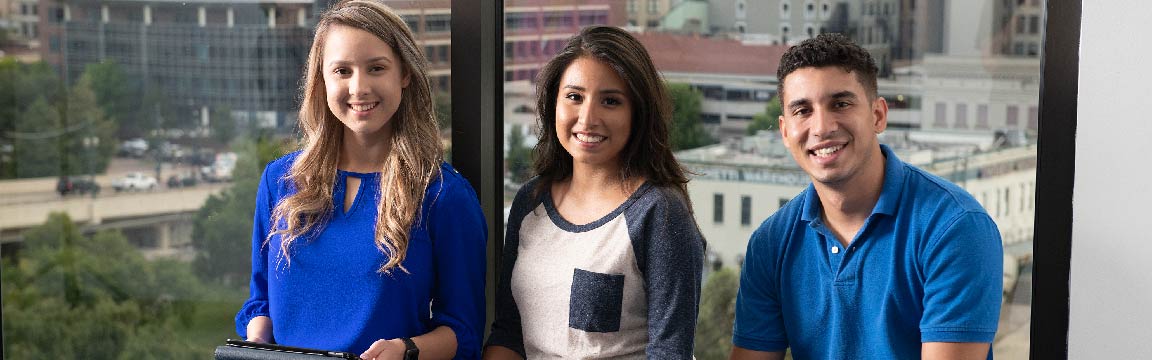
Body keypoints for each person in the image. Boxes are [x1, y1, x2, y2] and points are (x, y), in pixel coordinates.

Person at [233, 1, 487, 359]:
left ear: (404, 74)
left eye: (376, 68)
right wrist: (256, 343)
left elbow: (464, 334)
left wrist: (405, 350)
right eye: (342, 71)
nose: (359, 87)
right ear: (321, 80)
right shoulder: (280, 181)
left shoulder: (444, 196)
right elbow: (259, 301)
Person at [729, 33, 1003, 360]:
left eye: (840, 104)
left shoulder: (954, 228)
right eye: (802, 110)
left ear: (878, 115)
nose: (822, 127)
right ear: (785, 132)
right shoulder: (771, 243)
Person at [483, 26, 705, 359]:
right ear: (552, 103)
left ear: (638, 113)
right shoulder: (531, 200)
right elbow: (508, 334)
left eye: (610, 101)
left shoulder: (658, 211)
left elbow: (670, 351)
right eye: (574, 97)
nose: (588, 118)